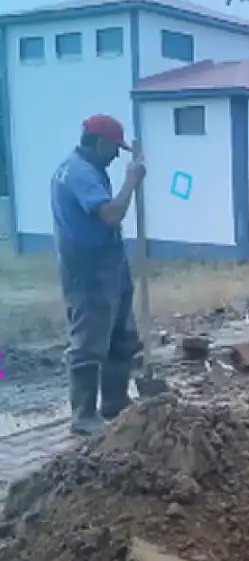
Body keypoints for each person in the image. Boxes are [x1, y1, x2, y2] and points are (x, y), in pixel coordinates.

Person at [51, 114, 146, 435]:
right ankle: (84, 416)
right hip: (87, 269)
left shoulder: (88, 168)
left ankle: (115, 401)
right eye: (114, 149)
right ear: (100, 143)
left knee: (122, 333)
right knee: (89, 341)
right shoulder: (79, 173)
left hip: (109, 261)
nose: (117, 156)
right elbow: (111, 214)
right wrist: (131, 180)